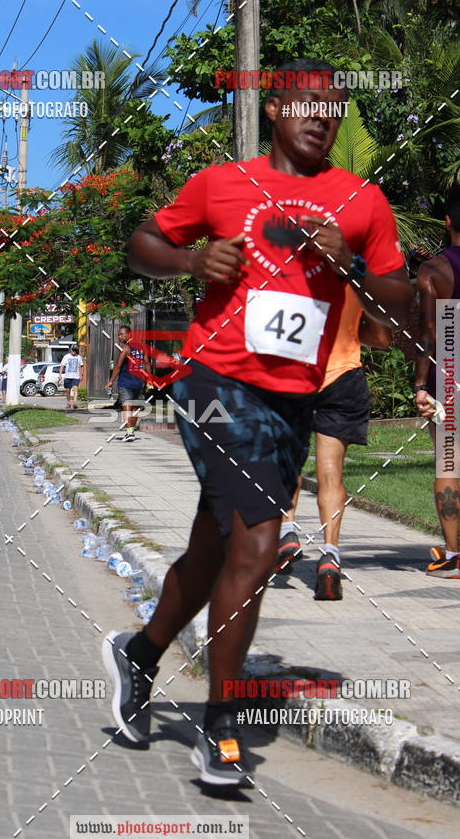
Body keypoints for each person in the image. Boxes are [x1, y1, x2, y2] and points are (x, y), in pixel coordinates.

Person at [101, 58, 412, 786]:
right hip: (212, 382)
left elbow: (397, 298)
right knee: (264, 537)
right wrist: (189, 258)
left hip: (291, 399)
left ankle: (139, 654)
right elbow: (142, 243)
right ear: (273, 110)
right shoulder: (220, 184)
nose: (321, 118)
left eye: (333, 109)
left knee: (219, 547)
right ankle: (222, 725)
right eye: (307, 105)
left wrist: (354, 269)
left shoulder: (363, 201)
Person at [279, 285, 391, 600]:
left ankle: (287, 531)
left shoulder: (289, 271)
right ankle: (330, 555)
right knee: (331, 472)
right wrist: (352, 334)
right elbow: (382, 338)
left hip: (294, 375)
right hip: (344, 378)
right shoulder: (357, 277)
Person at [415, 184, 460, 577]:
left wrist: (419, 385)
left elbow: (430, 329)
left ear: (448, 223)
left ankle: (454, 554)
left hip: (450, 368)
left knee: (449, 462)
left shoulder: (434, 270)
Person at [105, 325, 151, 441]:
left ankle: (130, 433)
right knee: (134, 409)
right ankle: (131, 432)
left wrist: (110, 381)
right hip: (139, 382)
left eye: (122, 334)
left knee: (127, 408)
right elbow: (147, 364)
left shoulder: (126, 348)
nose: (120, 337)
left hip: (126, 382)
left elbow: (118, 366)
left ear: (129, 334)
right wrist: (149, 380)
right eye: (119, 335)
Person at [60, 345, 83, 410]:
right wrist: (60, 374)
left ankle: (75, 403)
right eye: (73, 350)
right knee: (68, 390)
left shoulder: (79, 357)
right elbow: (62, 366)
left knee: (75, 388)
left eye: (75, 350)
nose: (74, 352)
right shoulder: (66, 356)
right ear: (71, 350)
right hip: (67, 376)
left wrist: (81, 375)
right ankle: (68, 402)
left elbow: (80, 366)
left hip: (76, 376)